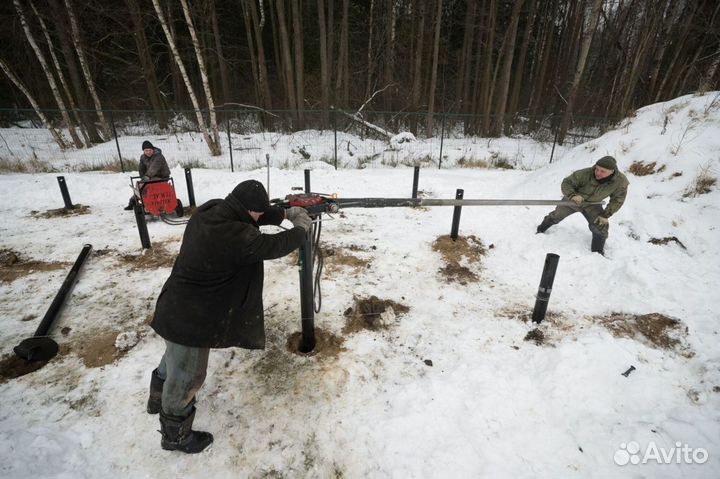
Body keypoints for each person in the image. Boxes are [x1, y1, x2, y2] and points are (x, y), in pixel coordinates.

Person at [145, 179, 312, 453]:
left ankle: (156, 399)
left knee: (173, 358)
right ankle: (175, 434)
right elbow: (274, 245)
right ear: (247, 210)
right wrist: (301, 228)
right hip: (192, 318)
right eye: (257, 213)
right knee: (188, 374)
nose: (259, 217)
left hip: (176, 305)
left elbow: (254, 215)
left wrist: (283, 212)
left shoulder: (213, 210)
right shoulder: (233, 235)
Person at [536, 156, 629, 255]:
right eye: (597, 169)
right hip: (573, 201)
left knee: (600, 225)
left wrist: (606, 214)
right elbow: (567, 183)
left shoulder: (620, 181)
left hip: (593, 204)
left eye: (602, 171)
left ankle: (597, 252)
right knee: (556, 215)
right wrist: (573, 195)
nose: (598, 173)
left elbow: (617, 200)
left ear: (612, 171)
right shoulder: (585, 173)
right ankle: (540, 230)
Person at [124, 140, 171, 210]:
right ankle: (133, 201)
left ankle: (153, 203)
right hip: (151, 177)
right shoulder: (143, 157)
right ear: (144, 151)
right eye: (146, 150)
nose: (148, 152)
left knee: (147, 187)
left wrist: (147, 176)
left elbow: (154, 168)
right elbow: (141, 169)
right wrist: (143, 177)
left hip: (161, 177)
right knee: (140, 186)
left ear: (153, 150)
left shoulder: (159, 157)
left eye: (150, 150)